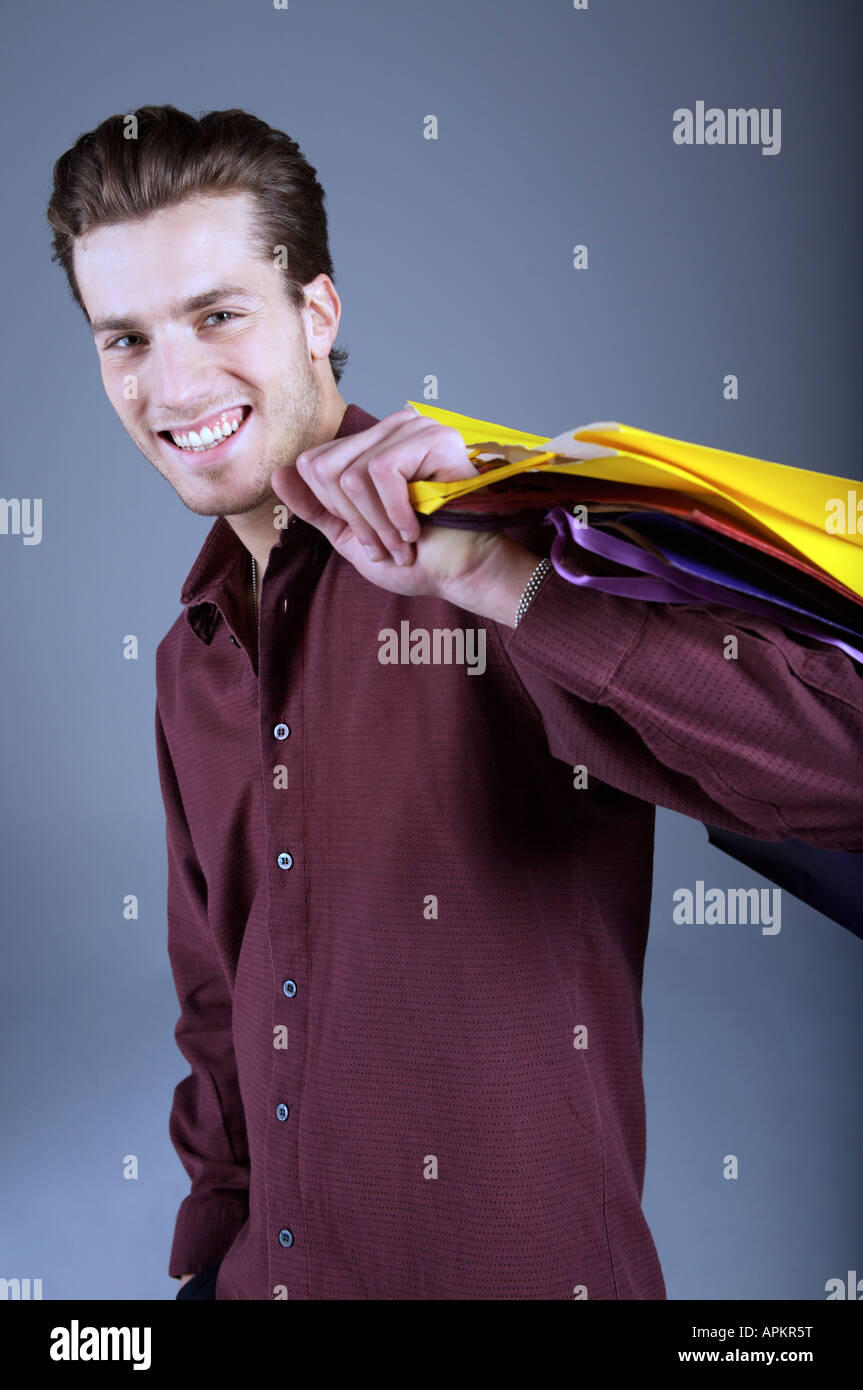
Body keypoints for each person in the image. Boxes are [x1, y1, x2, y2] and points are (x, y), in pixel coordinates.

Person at [47, 105, 863, 1301]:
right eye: (124, 338)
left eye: (216, 315)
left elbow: (839, 771)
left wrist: (515, 584)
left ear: (317, 313)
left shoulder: (519, 542)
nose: (171, 383)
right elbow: (220, 1015)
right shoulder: (193, 655)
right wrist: (204, 1272)